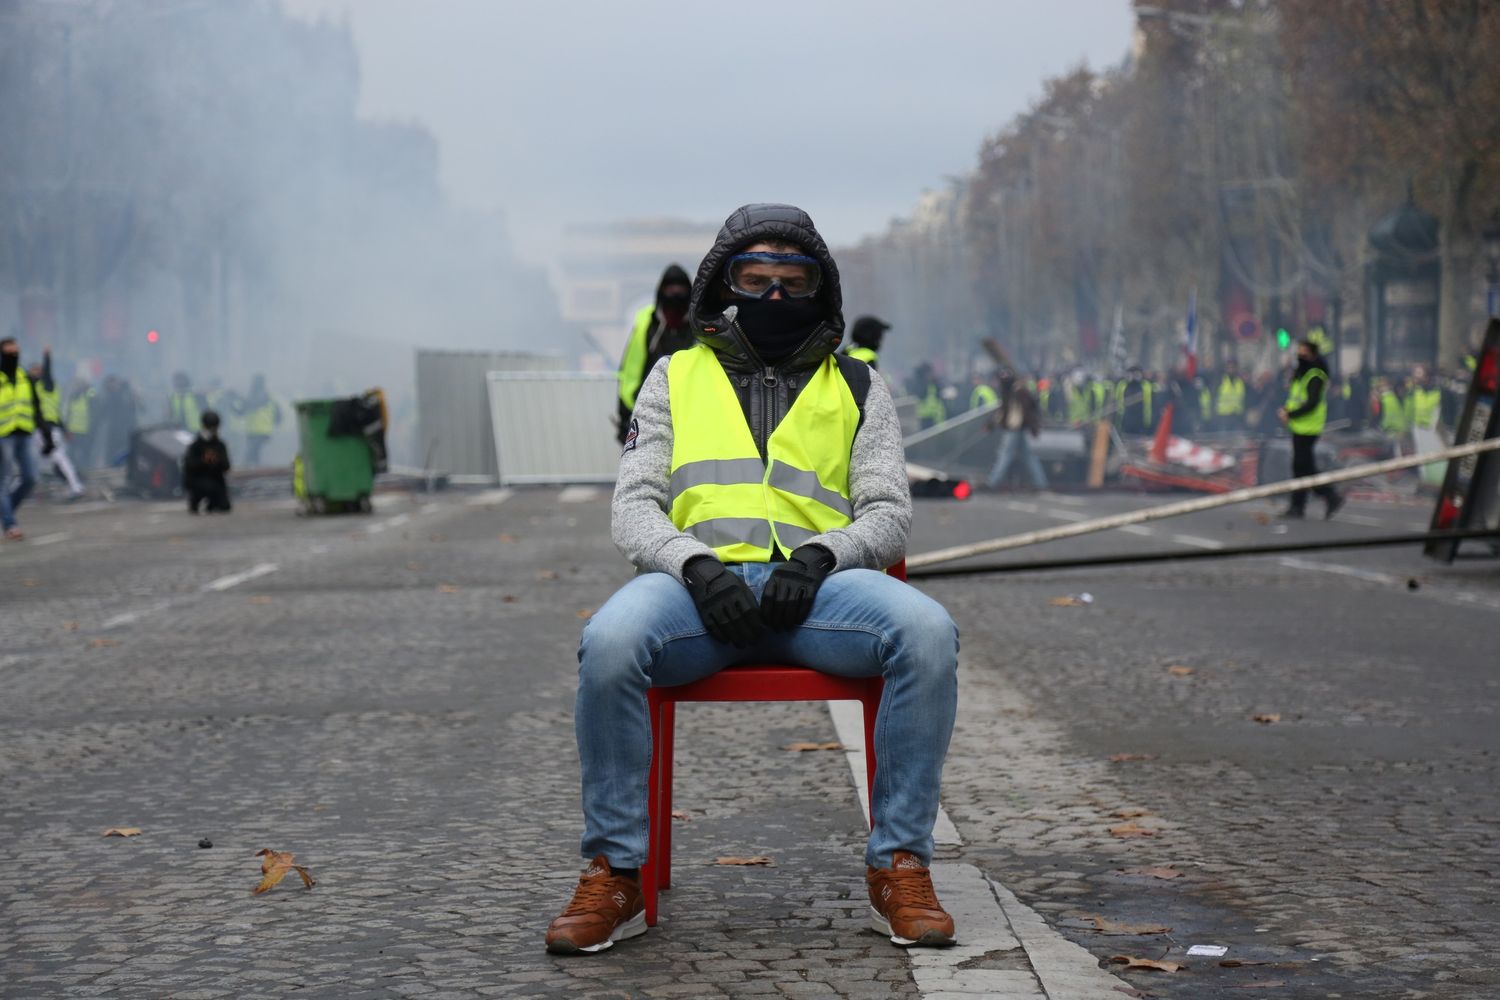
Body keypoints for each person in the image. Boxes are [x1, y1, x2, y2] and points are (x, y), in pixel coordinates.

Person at [546, 203, 959, 956]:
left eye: (793, 281)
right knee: (607, 642)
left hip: (819, 596)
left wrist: (821, 558)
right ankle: (614, 872)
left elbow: (889, 513)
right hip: (693, 597)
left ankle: (900, 865)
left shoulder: (860, 385)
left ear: (821, 289)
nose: (773, 296)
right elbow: (633, 506)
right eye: (754, 278)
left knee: (928, 632)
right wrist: (695, 566)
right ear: (720, 283)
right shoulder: (675, 374)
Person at [616, 265, 696, 446]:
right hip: (648, 412)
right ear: (661, 291)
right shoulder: (646, 324)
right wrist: (625, 418)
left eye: (681, 289)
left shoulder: (700, 325)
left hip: (690, 412)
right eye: (670, 288)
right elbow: (630, 374)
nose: (675, 293)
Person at [1278, 339, 1343, 519]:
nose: (1300, 355)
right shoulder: (1302, 373)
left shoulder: (1314, 375)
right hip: (1300, 426)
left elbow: (1312, 403)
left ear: (1312, 354)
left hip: (1308, 427)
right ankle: (1300, 505)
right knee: (1301, 467)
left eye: (1303, 352)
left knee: (1303, 467)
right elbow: (1297, 398)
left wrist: (1290, 414)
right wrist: (1287, 412)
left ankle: (1329, 496)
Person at [0, 337, 45, 540]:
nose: (13, 353)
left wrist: (45, 433)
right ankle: (10, 523)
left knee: (31, 478)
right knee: (4, 479)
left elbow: (35, 405)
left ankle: (6, 510)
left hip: (24, 433)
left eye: (15, 349)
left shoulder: (24, 376)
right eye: (9, 350)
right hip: (3, 435)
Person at [27, 350, 84, 501]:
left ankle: (75, 486)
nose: (34, 373)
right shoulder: (37, 389)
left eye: (37, 370)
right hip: (42, 429)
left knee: (58, 458)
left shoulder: (46, 385)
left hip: (47, 430)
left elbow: (46, 373)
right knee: (45, 461)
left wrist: (47, 357)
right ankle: (73, 485)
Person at [984, 369, 1046, 490]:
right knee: (1029, 457)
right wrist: (990, 424)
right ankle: (1041, 483)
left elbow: (1014, 413)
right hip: (1018, 428)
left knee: (1005, 455)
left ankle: (993, 482)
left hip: (1014, 429)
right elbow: (1003, 411)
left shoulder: (1017, 392)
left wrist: (993, 424)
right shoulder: (1013, 391)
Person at [183, 410, 232, 513]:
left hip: (215, 479)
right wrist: (204, 461)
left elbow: (226, 466)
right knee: (206, 488)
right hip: (198, 479)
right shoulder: (196, 445)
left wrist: (216, 461)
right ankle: (195, 500)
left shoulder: (219, 445)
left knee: (224, 506)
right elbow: (189, 465)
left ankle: (212, 503)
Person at [240, 373, 281, 466]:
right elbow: (242, 411)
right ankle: (255, 471)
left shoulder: (262, 396)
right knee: (255, 454)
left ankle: (246, 470)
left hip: (261, 431)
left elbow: (252, 405)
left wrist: (240, 399)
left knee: (250, 453)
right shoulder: (265, 396)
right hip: (253, 431)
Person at [64, 374, 97, 470]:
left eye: (80, 383)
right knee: (72, 453)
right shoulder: (73, 396)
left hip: (85, 431)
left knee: (85, 453)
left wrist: (88, 386)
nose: (78, 385)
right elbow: (68, 413)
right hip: (73, 430)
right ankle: (72, 470)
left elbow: (94, 396)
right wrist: (66, 428)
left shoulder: (90, 395)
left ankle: (85, 470)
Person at [1114, 365, 1154, 435]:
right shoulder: (1122, 385)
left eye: (1136, 374)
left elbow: (1149, 404)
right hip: (1126, 420)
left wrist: (1148, 423)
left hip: (1140, 421)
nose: (1133, 377)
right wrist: (1118, 421)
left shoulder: (1145, 385)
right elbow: (1118, 403)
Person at [1212, 360, 1247, 432]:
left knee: (1236, 440)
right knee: (1223, 440)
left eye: (1233, 367)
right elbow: (1213, 398)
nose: (1231, 370)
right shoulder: (1220, 381)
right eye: (1229, 367)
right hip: (1223, 417)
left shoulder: (1240, 382)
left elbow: (1244, 399)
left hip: (1237, 417)